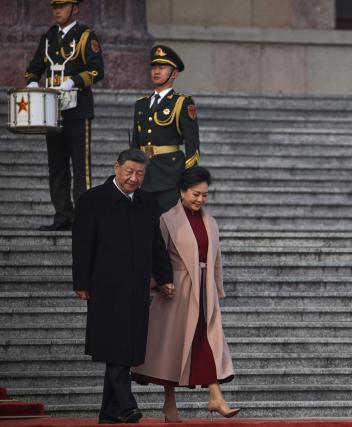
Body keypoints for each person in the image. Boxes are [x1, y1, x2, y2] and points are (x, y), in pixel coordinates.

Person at [72, 149, 174, 424]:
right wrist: (81, 282)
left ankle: (108, 413)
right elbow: (82, 245)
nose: (134, 178)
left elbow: (157, 245)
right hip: (104, 287)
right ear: (116, 167)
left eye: (140, 173)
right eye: (129, 171)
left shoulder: (148, 203)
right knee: (115, 344)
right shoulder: (92, 200)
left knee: (126, 347)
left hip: (136, 287)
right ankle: (127, 405)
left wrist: (164, 277)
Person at [131, 166, 238, 421]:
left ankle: (215, 396)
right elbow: (158, 255)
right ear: (181, 191)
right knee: (173, 347)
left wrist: (217, 287)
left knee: (206, 341)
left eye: (204, 195)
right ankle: (170, 405)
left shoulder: (210, 222)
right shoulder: (167, 219)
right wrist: (160, 282)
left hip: (205, 292)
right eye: (195, 194)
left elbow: (216, 259)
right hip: (176, 291)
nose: (200, 199)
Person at [25, 0, 104, 231]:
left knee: (81, 168)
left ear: (75, 9)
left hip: (78, 109)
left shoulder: (86, 36)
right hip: (53, 110)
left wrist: (74, 81)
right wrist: (31, 81)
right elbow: (35, 66)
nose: (57, 11)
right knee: (57, 166)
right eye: (55, 7)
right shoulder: (49, 36)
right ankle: (62, 216)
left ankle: (82, 217)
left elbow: (97, 69)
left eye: (62, 6)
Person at [130, 45, 201, 212]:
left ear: (174, 74)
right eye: (154, 67)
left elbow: (193, 145)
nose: (156, 71)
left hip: (170, 175)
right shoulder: (141, 104)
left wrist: (188, 179)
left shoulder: (182, 102)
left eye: (162, 67)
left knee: (169, 228)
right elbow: (135, 143)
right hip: (144, 175)